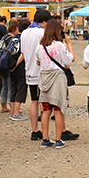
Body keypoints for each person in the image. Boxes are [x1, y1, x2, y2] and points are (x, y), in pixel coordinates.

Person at [21, 10, 79, 142]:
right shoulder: (43, 33)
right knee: (57, 105)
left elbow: (23, 52)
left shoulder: (24, 33)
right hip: (46, 72)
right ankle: (62, 131)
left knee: (35, 101)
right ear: (45, 22)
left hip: (30, 71)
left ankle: (36, 130)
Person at [36, 19, 74, 149]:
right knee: (58, 109)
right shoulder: (59, 45)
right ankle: (58, 140)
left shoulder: (40, 46)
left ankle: (45, 139)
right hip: (57, 78)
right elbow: (70, 59)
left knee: (46, 110)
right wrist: (68, 44)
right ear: (57, 31)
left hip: (44, 78)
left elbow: (38, 63)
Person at [10, 19, 30, 121]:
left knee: (13, 89)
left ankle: (13, 111)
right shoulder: (25, 38)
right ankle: (17, 113)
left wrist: (11, 66)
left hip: (10, 66)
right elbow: (23, 54)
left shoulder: (14, 38)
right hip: (19, 67)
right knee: (21, 90)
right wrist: (16, 65)